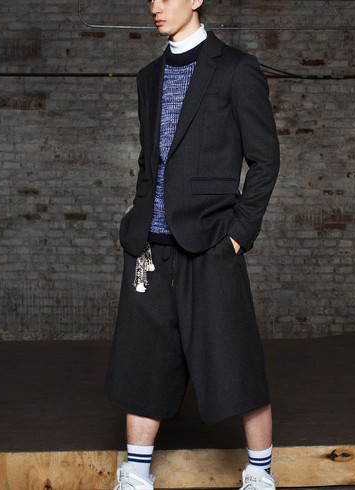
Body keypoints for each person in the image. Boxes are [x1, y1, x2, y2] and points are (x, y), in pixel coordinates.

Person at [105, 0, 280, 489]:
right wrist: (136, 222)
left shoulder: (237, 69)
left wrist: (238, 235)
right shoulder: (148, 77)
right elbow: (150, 163)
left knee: (235, 363)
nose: (155, 6)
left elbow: (265, 159)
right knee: (144, 366)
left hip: (210, 245)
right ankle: (136, 474)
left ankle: (260, 475)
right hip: (149, 247)